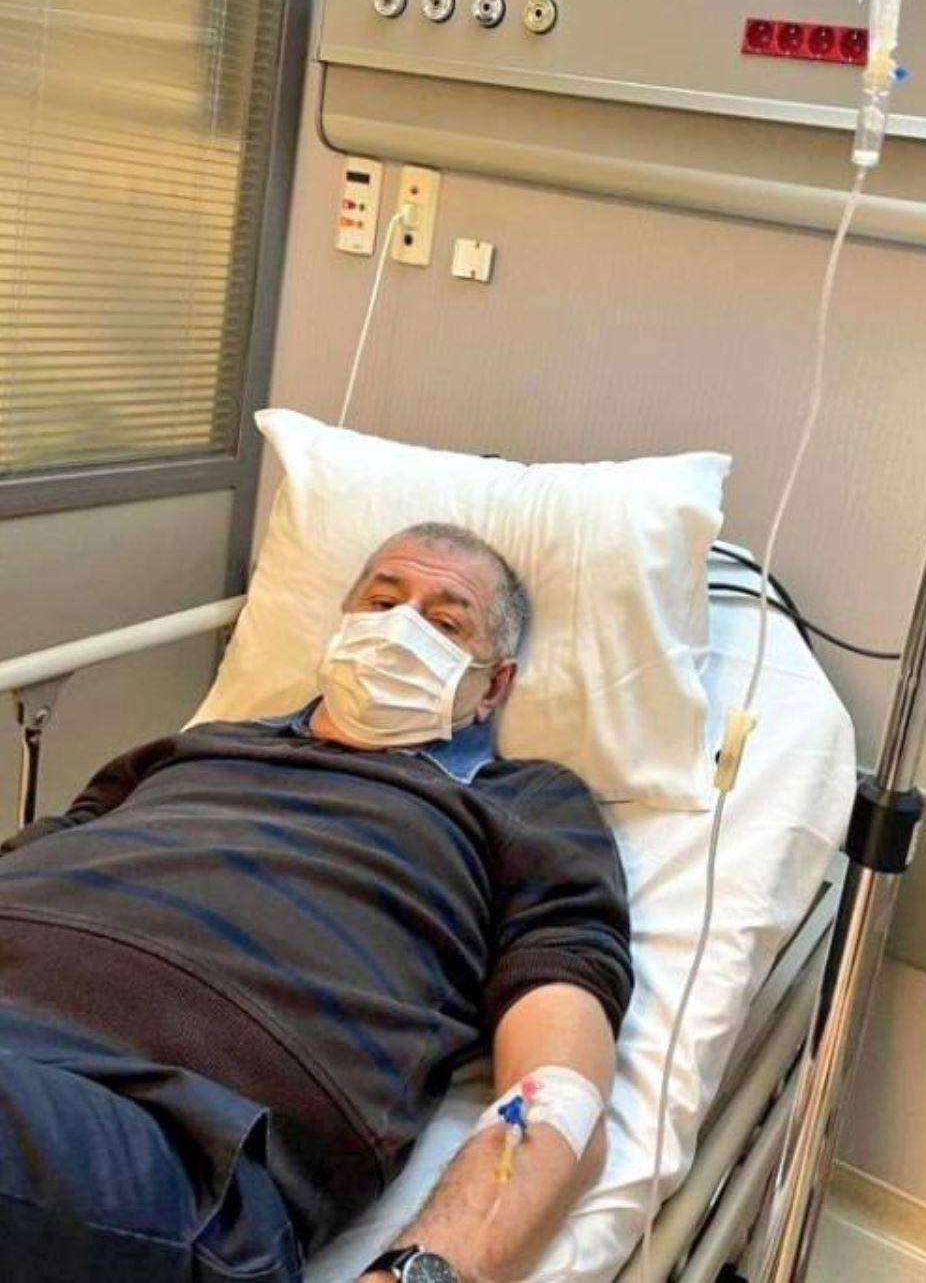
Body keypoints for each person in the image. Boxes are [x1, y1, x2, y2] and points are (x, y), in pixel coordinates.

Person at [0, 522, 633, 1283]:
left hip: (165, 1125)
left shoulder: (526, 804)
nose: (399, 631)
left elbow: (560, 1093)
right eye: (382, 604)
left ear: (493, 686)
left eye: (444, 623)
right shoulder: (196, 746)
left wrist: (414, 1273)